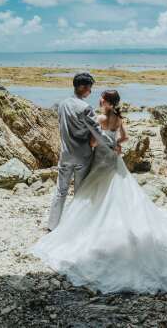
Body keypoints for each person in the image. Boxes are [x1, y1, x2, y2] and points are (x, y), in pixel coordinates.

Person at [31, 89, 167, 295]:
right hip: (114, 160)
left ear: (106, 102)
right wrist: (116, 145)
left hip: (100, 159)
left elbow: (94, 140)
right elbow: (125, 138)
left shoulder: (100, 117)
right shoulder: (119, 118)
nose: (99, 99)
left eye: (102, 98)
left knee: (93, 195)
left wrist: (93, 145)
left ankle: (85, 228)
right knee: (120, 194)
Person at [44, 72, 113, 232]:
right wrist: (111, 144)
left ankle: (52, 226)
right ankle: (75, 228)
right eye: (90, 88)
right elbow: (97, 132)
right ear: (82, 87)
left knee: (60, 192)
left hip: (65, 154)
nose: (90, 92)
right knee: (80, 193)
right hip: (82, 156)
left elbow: (62, 127)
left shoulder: (62, 104)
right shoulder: (85, 108)